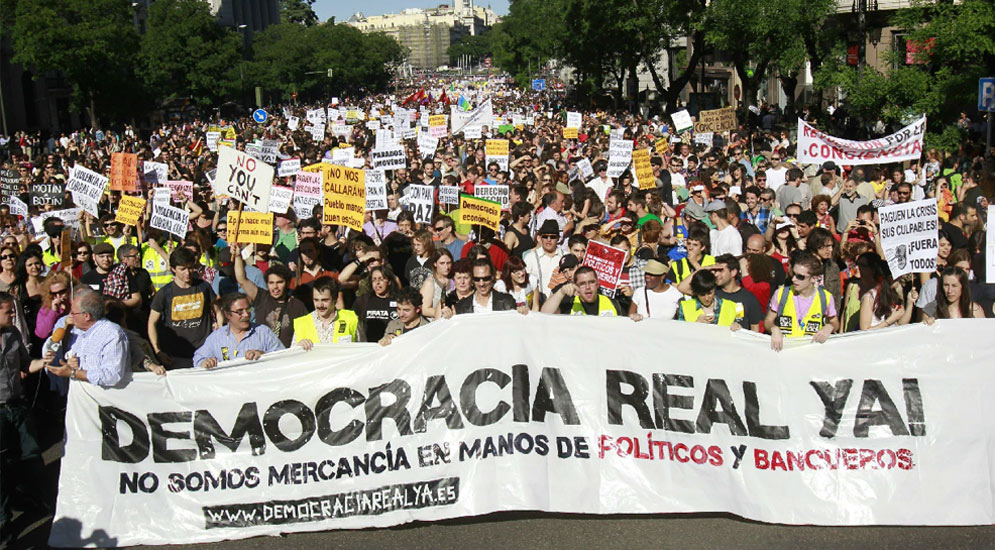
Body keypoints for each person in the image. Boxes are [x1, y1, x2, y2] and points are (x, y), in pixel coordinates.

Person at [148, 247, 218, 370]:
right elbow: (152, 322)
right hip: (176, 356)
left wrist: (219, 331)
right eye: (182, 269)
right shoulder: (164, 293)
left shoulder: (204, 287)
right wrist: (158, 350)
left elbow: (218, 311)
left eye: (190, 268)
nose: (187, 272)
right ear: (173, 269)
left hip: (205, 353)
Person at [45, 288, 129, 386]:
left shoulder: (112, 334)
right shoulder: (78, 331)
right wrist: (72, 363)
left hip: (101, 395)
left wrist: (74, 373)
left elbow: (112, 376)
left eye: (73, 313)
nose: (70, 316)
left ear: (86, 316)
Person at [232, 244, 308, 348]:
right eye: (271, 283)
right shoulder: (261, 297)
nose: (275, 287)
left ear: (287, 283)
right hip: (261, 353)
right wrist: (237, 256)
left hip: (286, 354)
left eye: (279, 282)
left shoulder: (297, 306)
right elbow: (242, 280)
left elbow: (306, 334)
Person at [765, 252, 840, 351]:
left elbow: (835, 322)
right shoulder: (781, 294)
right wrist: (774, 329)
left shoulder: (825, 297)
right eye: (793, 274)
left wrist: (830, 327)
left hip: (811, 353)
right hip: (784, 352)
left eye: (800, 277)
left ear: (814, 278)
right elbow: (768, 321)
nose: (794, 279)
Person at [193, 293, 285, 369]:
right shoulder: (216, 338)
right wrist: (204, 363)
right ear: (227, 314)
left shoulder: (263, 332)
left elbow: (283, 357)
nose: (246, 315)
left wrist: (263, 355)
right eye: (240, 311)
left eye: (248, 309)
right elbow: (198, 359)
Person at [294, 278, 362, 348]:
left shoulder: (351, 319)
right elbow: (291, 353)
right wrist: (298, 347)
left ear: (335, 299)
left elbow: (363, 349)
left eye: (324, 300)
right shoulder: (301, 323)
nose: (320, 305)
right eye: (316, 300)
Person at [541, 266, 622, 316]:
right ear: (576, 286)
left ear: (597, 284)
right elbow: (545, 314)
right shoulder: (569, 303)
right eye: (582, 284)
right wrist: (560, 293)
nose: (588, 287)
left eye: (591, 282)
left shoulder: (613, 303)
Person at [676, 270, 741, 327]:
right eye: (702, 295)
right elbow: (681, 332)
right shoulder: (685, 306)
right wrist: (696, 323)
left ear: (714, 289)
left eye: (709, 293)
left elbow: (741, 329)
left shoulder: (732, 306)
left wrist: (736, 327)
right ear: (696, 293)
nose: (706, 298)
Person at [352, 265, 399, 343]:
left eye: (381, 279)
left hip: (390, 344)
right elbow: (353, 322)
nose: (377, 283)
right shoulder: (363, 300)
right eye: (374, 279)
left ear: (389, 281)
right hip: (368, 345)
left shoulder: (398, 300)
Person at [455, 259, 519, 314]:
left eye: (486, 278)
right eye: (477, 279)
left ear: (492, 277)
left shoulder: (507, 302)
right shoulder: (461, 307)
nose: (481, 284)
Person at [419, 249, 453, 319]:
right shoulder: (430, 283)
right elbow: (424, 309)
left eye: (448, 263)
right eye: (442, 263)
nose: (446, 267)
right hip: (435, 322)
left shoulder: (454, 280)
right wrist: (442, 313)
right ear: (435, 264)